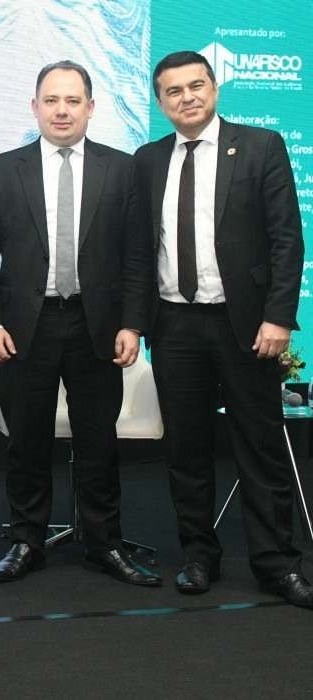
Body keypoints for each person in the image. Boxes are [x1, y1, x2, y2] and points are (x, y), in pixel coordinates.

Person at [0, 61, 159, 586]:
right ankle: (26, 542)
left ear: (90, 108)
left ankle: (104, 543)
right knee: (26, 441)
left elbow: (137, 256)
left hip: (97, 326)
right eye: (51, 100)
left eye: (73, 101)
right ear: (34, 107)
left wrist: (133, 324)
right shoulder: (1, 170)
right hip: (23, 328)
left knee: (98, 441)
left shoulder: (121, 169)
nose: (62, 110)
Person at [136, 51, 311, 607]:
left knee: (260, 446)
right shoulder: (147, 160)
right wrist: (135, 323)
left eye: (196, 85)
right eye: (173, 91)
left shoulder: (260, 147)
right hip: (174, 326)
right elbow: (139, 251)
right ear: (160, 102)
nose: (186, 97)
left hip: (247, 326)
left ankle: (277, 563)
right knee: (185, 449)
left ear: (214, 87)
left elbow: (287, 239)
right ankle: (197, 555)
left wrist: (278, 316)